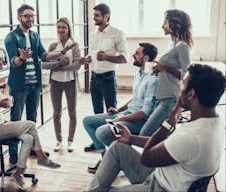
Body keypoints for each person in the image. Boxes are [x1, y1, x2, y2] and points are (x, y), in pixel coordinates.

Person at [89, 64, 225, 192]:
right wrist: (131, 139)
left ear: (191, 94)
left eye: (182, 84)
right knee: (117, 148)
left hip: (159, 187)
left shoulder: (191, 136)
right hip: (163, 173)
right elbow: (166, 146)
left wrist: (169, 123)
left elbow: (146, 158)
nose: (179, 89)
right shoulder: (214, 122)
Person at [0, 51, 61, 190]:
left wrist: (7, 101)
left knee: (27, 138)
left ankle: (19, 173)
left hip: (1, 124)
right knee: (31, 125)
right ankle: (42, 158)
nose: (2, 60)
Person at [4, 4, 74, 164]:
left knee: (32, 119)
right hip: (19, 87)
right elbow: (14, 62)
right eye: (27, 16)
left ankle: (32, 149)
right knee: (15, 121)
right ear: (19, 17)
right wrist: (22, 58)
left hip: (34, 86)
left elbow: (43, 55)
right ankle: (14, 153)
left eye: (32, 16)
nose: (30, 19)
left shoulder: (35, 36)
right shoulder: (12, 37)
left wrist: (61, 52)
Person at [83, 43, 158, 173]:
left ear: (145, 58)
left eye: (137, 53)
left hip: (137, 121)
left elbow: (145, 113)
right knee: (87, 121)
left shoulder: (153, 80)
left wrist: (121, 118)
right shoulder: (139, 74)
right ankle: (107, 159)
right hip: (127, 114)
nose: (134, 55)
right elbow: (135, 99)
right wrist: (119, 110)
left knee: (101, 132)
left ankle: (117, 161)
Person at [138, 9, 193, 137]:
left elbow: (187, 74)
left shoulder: (182, 46)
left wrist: (165, 68)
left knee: (145, 134)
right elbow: (169, 66)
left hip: (171, 98)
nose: (162, 26)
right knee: (160, 135)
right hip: (164, 97)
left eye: (165, 23)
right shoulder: (172, 44)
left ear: (174, 24)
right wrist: (160, 67)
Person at [83, 3, 128, 152]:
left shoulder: (117, 33)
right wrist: (88, 59)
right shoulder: (93, 33)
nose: (93, 18)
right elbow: (93, 53)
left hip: (108, 78)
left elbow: (124, 58)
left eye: (96, 15)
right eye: (93, 15)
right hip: (94, 77)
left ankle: (115, 144)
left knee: (112, 113)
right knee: (97, 113)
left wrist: (107, 57)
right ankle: (98, 142)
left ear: (106, 16)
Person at [42, 17, 84, 152]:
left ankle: (70, 141)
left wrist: (62, 67)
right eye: (58, 27)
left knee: (72, 112)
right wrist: (59, 64)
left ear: (69, 29)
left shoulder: (74, 45)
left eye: (63, 27)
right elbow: (45, 65)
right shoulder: (53, 46)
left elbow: (77, 65)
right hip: (55, 82)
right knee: (56, 113)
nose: (60, 30)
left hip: (70, 82)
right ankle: (59, 141)